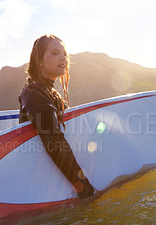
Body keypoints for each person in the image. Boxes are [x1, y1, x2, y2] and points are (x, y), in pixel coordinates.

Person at [19, 35, 95, 199]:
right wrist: (85, 190)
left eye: (64, 54)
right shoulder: (34, 93)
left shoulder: (48, 92)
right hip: (38, 188)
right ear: (39, 60)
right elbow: (53, 140)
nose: (63, 59)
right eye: (55, 53)